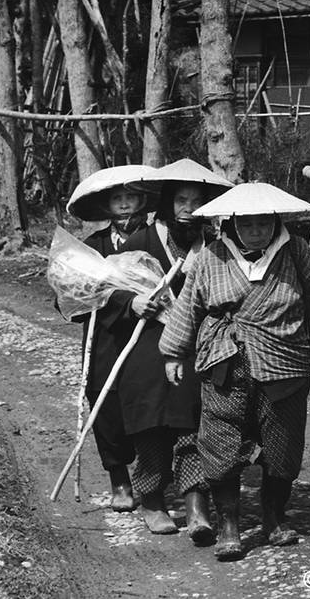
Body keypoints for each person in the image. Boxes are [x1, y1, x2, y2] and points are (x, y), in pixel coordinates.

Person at [159, 182, 310, 561]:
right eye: (247, 224)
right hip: (224, 364)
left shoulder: (295, 252)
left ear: (275, 221)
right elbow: (188, 307)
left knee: (283, 450)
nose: (256, 231)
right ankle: (229, 526)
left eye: (263, 223)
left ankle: (273, 517)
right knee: (219, 448)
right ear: (232, 223)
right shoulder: (213, 255)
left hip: (284, 365)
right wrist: (172, 353)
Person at [106, 159, 234, 543]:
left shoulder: (215, 248)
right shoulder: (139, 243)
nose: (188, 207)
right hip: (145, 347)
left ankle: (196, 506)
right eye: (180, 199)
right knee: (152, 426)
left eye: (196, 200)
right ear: (165, 203)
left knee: (191, 424)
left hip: (196, 346)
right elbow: (104, 293)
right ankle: (152, 498)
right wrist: (131, 303)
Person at [64, 164, 158, 512]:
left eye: (130, 196)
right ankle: (119, 477)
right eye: (116, 198)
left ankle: (154, 475)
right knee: (104, 402)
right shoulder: (92, 246)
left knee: (150, 401)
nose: (123, 204)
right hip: (104, 335)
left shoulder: (156, 241)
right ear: (106, 206)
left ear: (143, 201)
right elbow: (74, 290)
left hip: (148, 333)